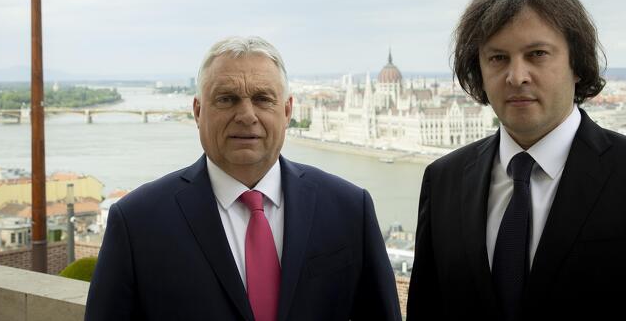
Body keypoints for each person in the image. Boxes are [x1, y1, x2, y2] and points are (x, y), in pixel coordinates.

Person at [406, 0, 626, 320]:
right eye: (497, 58)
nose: (516, 76)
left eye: (537, 54)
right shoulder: (444, 180)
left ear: (577, 64)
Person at [85, 36, 401, 321]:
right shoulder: (137, 223)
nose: (247, 115)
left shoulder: (349, 209)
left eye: (263, 98)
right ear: (197, 112)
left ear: (287, 111)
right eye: (227, 99)